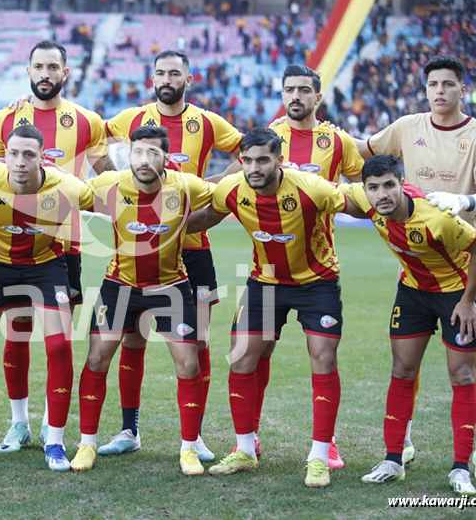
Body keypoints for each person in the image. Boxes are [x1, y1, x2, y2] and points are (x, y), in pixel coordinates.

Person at [210, 64, 363, 468]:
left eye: (303, 90)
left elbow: (366, 185)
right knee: (252, 354)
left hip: (316, 268)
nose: (295, 96)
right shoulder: (268, 136)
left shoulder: (337, 140)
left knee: (323, 357)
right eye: (289, 89)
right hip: (267, 273)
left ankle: (326, 444)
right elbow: (229, 182)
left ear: (317, 96)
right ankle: (248, 442)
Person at [356, 55, 476, 481]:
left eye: (448, 84)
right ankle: (401, 445)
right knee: (406, 361)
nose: (439, 91)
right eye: (433, 84)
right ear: (425, 89)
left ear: (462, 89)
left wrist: (463, 201)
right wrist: (315, 137)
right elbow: (360, 150)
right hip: (416, 263)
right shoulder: (407, 126)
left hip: (466, 260)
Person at [99, 50, 242, 462]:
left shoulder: (207, 122)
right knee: (133, 338)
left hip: (193, 251)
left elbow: (246, 150)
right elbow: (93, 138)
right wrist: (116, 186)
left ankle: (194, 437)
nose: (166, 79)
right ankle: (129, 430)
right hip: (140, 251)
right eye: (160, 72)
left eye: (174, 73)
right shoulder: (132, 118)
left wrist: (214, 184)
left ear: (188, 79)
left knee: (198, 343)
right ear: (152, 77)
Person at [188, 128, 350, 488]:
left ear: (279, 159)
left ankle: (319, 456)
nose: (254, 168)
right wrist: (164, 228)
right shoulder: (232, 189)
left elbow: (357, 203)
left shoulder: (312, 187)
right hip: (266, 282)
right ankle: (245, 449)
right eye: (247, 160)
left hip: (317, 282)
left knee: (323, 359)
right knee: (240, 356)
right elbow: (206, 218)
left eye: (262, 160)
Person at [69, 126, 215, 476]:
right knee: (97, 357)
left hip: (171, 287)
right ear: (128, 155)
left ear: (167, 157)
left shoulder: (186, 186)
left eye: (153, 153)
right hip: (120, 284)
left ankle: (189, 448)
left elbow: (226, 196)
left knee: (189, 364)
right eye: (137, 152)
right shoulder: (111, 184)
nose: (144, 159)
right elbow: (68, 192)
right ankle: (87, 443)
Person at [0, 125, 93, 471]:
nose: (20, 161)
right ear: (5, 155)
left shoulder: (68, 187)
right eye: (13, 153)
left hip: (46, 265)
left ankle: (54, 442)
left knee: (59, 346)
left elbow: (102, 200)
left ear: (43, 158)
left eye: (29, 154)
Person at [0, 40, 113, 452]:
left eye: (53, 67)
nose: (45, 74)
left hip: (65, 247)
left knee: (57, 340)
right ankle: (18, 422)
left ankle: (50, 422)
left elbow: (106, 176)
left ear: (66, 72)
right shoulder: (5, 118)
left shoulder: (87, 121)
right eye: (39, 66)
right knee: (17, 333)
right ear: (28, 71)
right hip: (12, 243)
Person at [347, 156, 476, 496]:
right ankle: (393, 461)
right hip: (412, 292)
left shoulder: (436, 217)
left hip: (455, 294)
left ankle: (460, 468)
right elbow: (326, 191)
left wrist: (468, 301)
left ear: (402, 184)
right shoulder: (368, 202)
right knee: (402, 370)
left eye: (389, 185)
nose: (382, 194)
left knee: (462, 375)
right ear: (365, 189)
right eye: (373, 187)